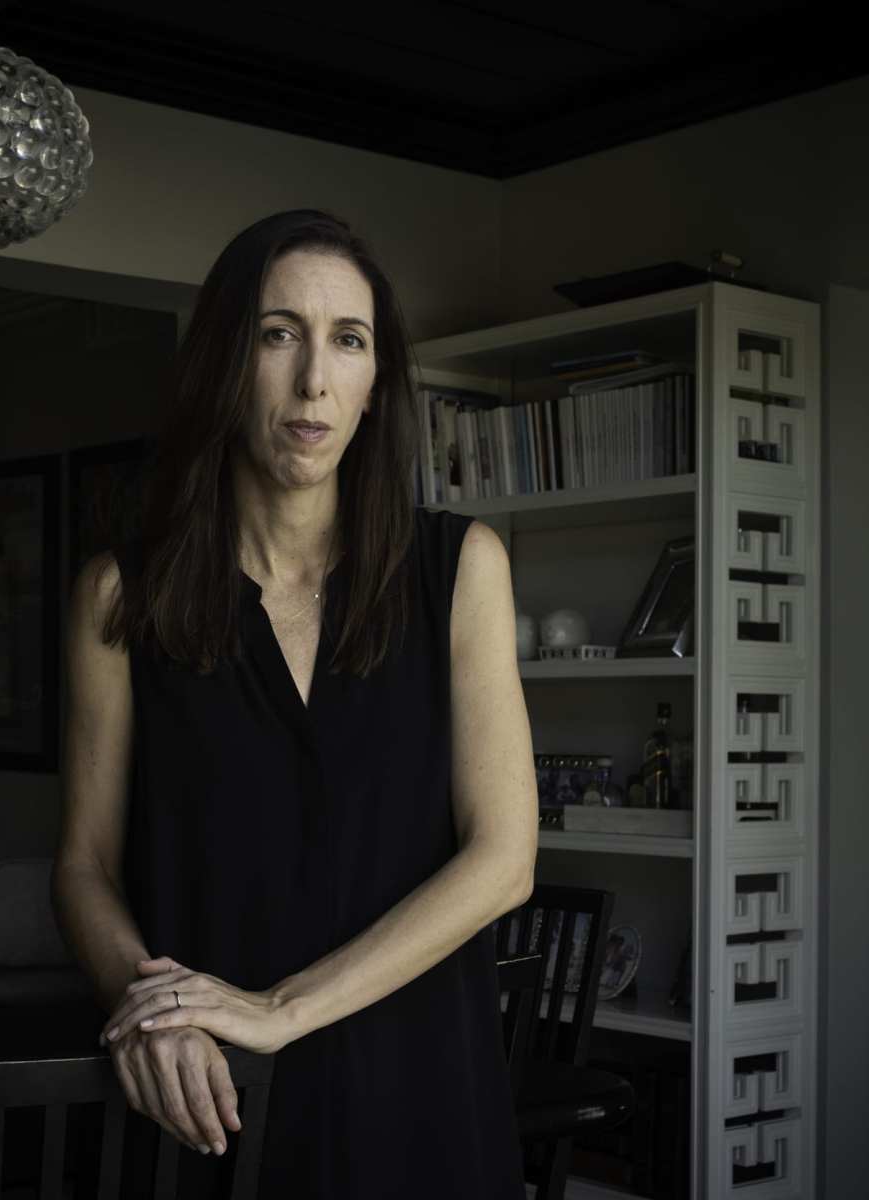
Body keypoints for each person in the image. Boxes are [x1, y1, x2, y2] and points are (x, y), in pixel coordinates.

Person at [53, 209, 538, 1197]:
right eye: (280, 334)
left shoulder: (461, 569)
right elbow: (84, 864)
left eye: (347, 342)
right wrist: (151, 1008)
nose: (314, 378)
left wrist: (279, 1007)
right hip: (211, 1107)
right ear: (227, 363)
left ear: (373, 385)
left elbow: (504, 861)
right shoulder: (120, 594)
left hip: (421, 1099)